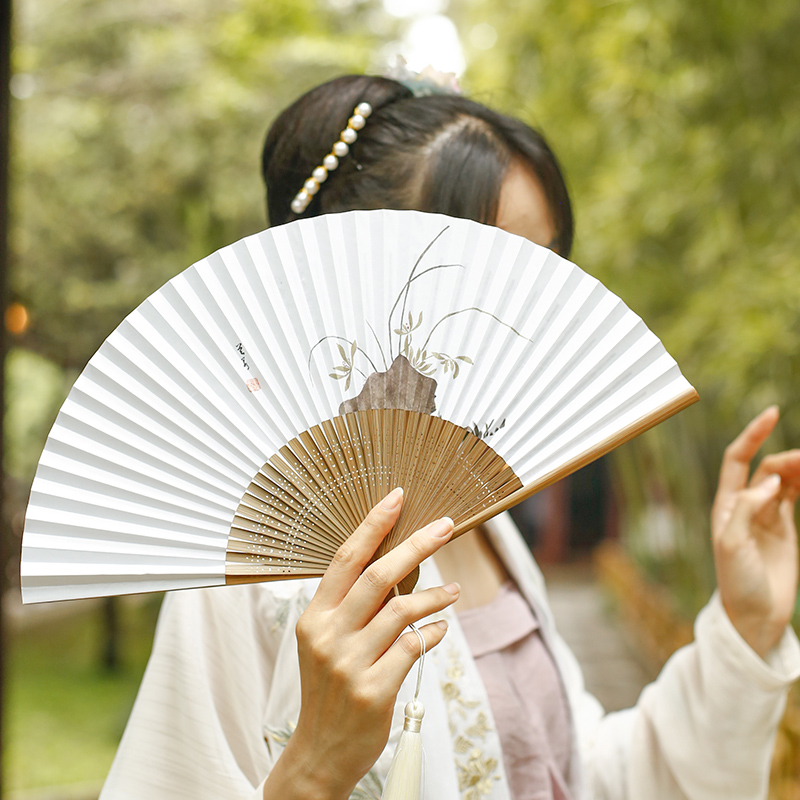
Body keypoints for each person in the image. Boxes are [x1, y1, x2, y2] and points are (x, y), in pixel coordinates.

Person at [100, 74, 800, 800]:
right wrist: (311, 770)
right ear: (362, 278)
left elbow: (570, 772)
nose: (536, 312)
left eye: (549, 270)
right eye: (495, 272)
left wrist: (743, 626)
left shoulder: (483, 523)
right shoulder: (253, 566)